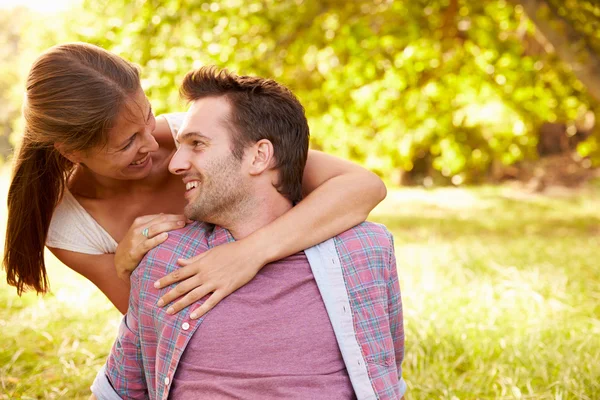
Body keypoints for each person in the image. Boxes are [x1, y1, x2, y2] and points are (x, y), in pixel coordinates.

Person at [3, 42, 387, 317]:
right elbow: (152, 323)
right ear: (70, 152)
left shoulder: (198, 137)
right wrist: (122, 266)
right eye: (127, 143)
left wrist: (249, 253)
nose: (153, 144)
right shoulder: (72, 228)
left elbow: (364, 186)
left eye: (148, 117)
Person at [91, 67, 406, 400]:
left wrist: (251, 253)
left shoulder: (365, 250)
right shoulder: (162, 256)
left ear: (259, 156)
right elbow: (121, 391)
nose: (174, 164)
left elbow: (385, 374)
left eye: (197, 144)